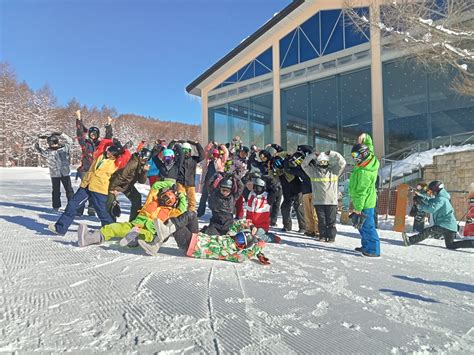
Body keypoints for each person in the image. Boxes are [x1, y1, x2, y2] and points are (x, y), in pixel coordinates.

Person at [77, 180, 187, 248]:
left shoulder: (171, 212)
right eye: (164, 197)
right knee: (113, 227)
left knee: (147, 236)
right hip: (134, 225)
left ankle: (133, 241)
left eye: (168, 200)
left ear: (171, 204)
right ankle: (88, 239)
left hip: (149, 231)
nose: (164, 200)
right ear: (161, 195)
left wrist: (181, 194)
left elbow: (183, 207)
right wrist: (172, 184)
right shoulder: (152, 200)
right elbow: (156, 186)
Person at [137, 211, 272, 264]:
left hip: (191, 245)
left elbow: (247, 254)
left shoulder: (234, 253)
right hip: (197, 236)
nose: (237, 239)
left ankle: (156, 243)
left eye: (241, 241)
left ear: (242, 246)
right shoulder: (231, 237)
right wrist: (250, 225)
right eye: (239, 236)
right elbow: (237, 225)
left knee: (174, 222)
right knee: (191, 214)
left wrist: (258, 247)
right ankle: (160, 238)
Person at [48, 142, 125, 235]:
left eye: (112, 153)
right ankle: (60, 228)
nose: (109, 153)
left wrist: (116, 189)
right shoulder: (101, 156)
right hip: (86, 185)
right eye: (109, 150)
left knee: (102, 212)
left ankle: (112, 231)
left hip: (99, 189)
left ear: (116, 155)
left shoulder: (116, 164)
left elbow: (120, 178)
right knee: (72, 205)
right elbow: (98, 145)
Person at [402, 180, 474, 250]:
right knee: (450, 245)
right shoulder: (440, 198)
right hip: (451, 226)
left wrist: (420, 206)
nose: (431, 193)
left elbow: (431, 209)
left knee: (429, 231)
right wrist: (421, 196)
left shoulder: (441, 199)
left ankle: (410, 240)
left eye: (432, 191)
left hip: (445, 224)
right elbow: (430, 201)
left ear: (436, 190)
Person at [302, 150, 346, 243]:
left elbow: (342, 162)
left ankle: (331, 237)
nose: (323, 163)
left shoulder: (334, 171)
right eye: (321, 161)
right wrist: (313, 155)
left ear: (328, 162)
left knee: (331, 221)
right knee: (321, 221)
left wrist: (332, 153)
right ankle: (322, 236)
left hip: (331, 201)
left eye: (325, 161)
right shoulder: (313, 172)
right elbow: (304, 165)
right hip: (318, 201)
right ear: (318, 162)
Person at [348, 133, 381, 257]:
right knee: (361, 225)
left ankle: (373, 250)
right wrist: (364, 137)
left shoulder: (364, 172)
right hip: (367, 200)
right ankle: (366, 246)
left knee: (367, 226)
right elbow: (369, 146)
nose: (354, 158)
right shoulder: (369, 160)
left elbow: (360, 193)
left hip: (364, 202)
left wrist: (358, 209)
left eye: (355, 155)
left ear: (362, 154)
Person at [75, 110, 113, 216]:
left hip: (97, 170)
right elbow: (79, 133)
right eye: (91, 133)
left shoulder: (102, 144)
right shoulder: (85, 143)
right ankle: (79, 209)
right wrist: (79, 118)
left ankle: (91, 207)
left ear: (97, 134)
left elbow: (109, 137)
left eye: (95, 133)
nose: (92, 135)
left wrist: (109, 125)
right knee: (84, 189)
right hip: (86, 169)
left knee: (94, 189)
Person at [107, 148, 152, 222]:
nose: (144, 160)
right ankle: (109, 224)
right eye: (143, 158)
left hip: (127, 185)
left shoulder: (142, 164)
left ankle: (133, 221)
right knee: (111, 204)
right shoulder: (133, 163)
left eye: (146, 159)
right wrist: (112, 189)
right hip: (117, 183)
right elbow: (121, 176)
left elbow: (141, 181)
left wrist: (144, 172)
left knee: (137, 198)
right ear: (140, 156)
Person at [35, 133, 75, 211]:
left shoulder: (64, 148)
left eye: (55, 142)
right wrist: (39, 139)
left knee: (69, 190)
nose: (54, 144)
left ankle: (72, 206)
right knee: (56, 191)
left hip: (65, 173)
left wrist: (61, 134)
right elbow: (37, 147)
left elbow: (70, 141)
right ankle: (56, 206)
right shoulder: (47, 152)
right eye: (51, 143)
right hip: (55, 174)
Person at [197, 142, 229, 217]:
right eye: (214, 154)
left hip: (217, 182)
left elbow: (226, 153)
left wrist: (222, 146)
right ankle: (200, 212)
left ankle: (217, 213)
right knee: (203, 197)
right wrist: (210, 145)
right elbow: (205, 152)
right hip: (208, 181)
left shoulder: (221, 161)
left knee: (217, 198)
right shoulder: (208, 161)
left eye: (216, 155)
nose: (215, 156)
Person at [179, 140, 205, 212]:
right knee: (181, 198)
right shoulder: (178, 159)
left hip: (190, 183)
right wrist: (174, 142)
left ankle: (191, 214)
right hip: (180, 182)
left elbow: (202, 156)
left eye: (187, 151)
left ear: (190, 151)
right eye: (183, 151)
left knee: (192, 200)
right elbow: (170, 152)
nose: (185, 153)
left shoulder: (193, 159)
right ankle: (180, 212)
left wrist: (197, 144)